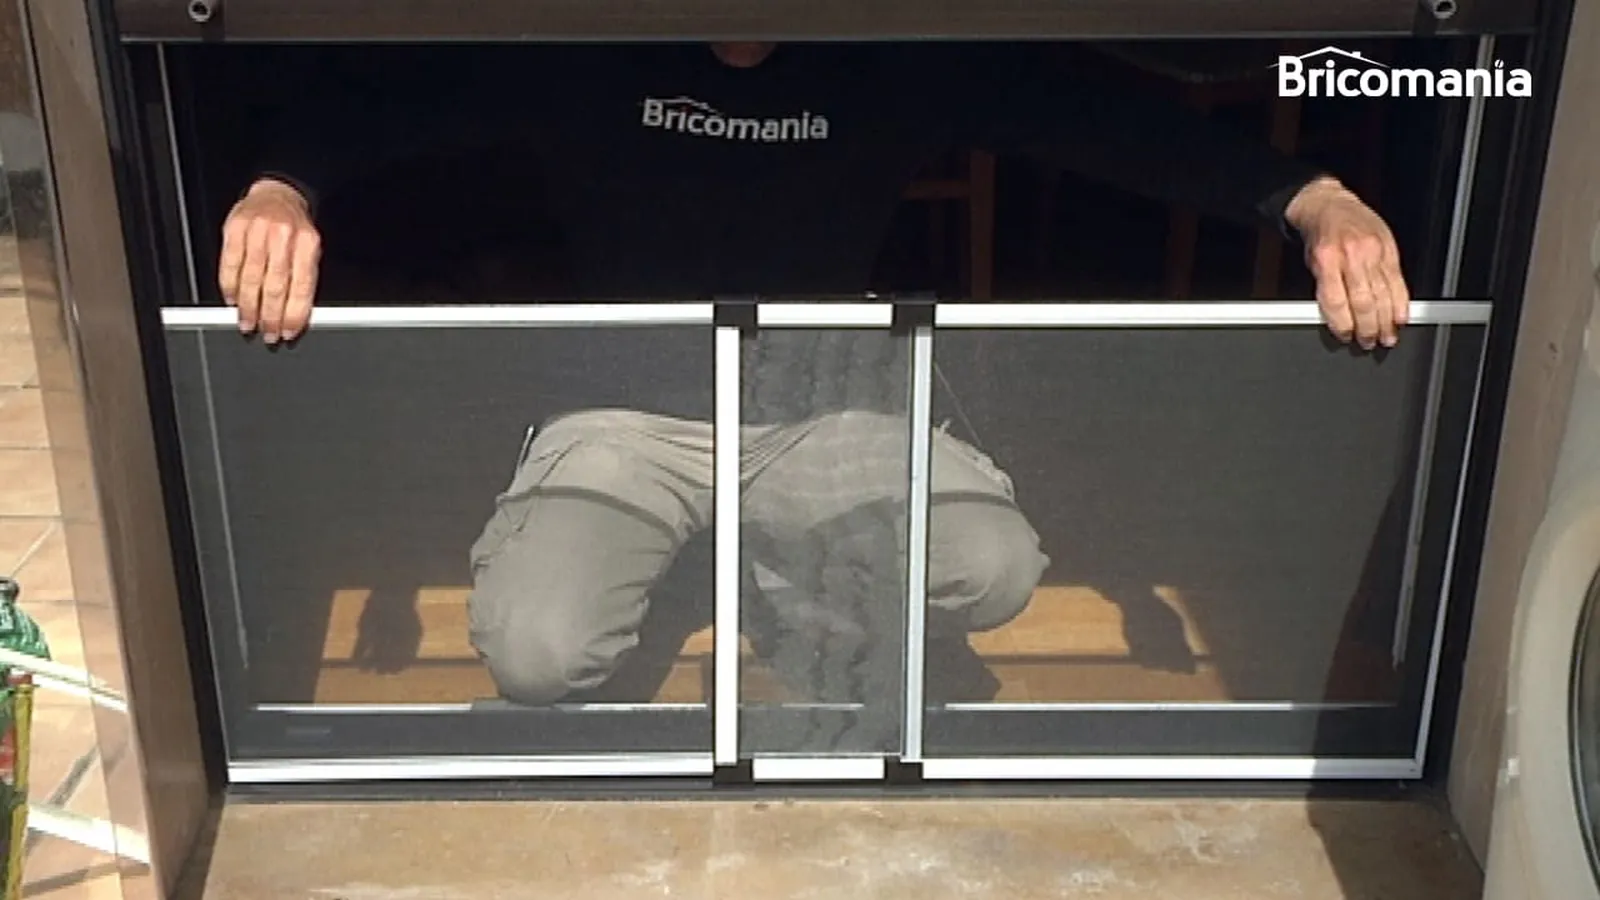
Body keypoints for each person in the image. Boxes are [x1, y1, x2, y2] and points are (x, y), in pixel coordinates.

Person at [216, 41, 1411, 708]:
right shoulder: (588, 40)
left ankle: (767, 564)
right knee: (538, 653)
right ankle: (725, 552)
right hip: (624, 406)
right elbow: (394, 94)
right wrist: (283, 185)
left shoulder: (884, 50)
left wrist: (1312, 197)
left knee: (986, 570)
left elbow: (1097, 116)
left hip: (824, 395)